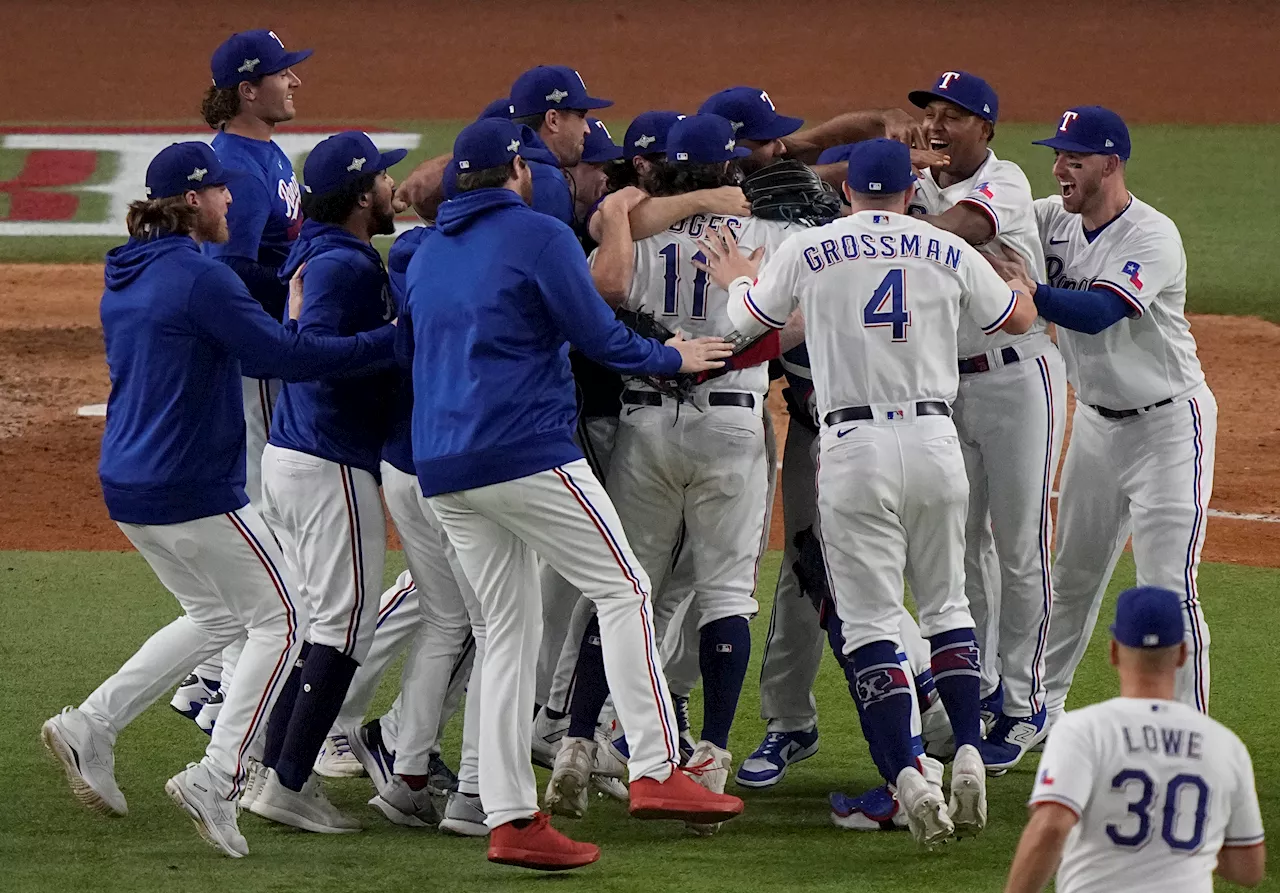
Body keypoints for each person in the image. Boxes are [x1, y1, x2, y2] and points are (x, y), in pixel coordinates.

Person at [399, 118, 744, 870]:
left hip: (444, 468)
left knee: (506, 634)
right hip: (523, 449)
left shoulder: (426, 253)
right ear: (520, 173)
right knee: (625, 587)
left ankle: (510, 817)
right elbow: (597, 331)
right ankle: (656, 768)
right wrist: (673, 355)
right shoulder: (536, 235)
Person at [40, 141, 394, 857]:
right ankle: (219, 775)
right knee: (288, 616)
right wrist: (388, 340)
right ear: (195, 199)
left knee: (218, 616)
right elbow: (285, 358)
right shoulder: (199, 280)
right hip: (189, 484)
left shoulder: (129, 272)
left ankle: (91, 724)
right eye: (224, 191)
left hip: (129, 484)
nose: (235, 200)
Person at [697, 138, 1038, 846]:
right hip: (937, 442)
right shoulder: (944, 247)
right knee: (948, 605)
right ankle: (969, 749)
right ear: (911, 193)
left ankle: (911, 777)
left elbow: (743, 326)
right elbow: (1018, 320)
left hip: (853, 446)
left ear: (849, 192)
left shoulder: (813, 247)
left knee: (874, 620)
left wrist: (737, 277)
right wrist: (1024, 294)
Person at [545, 115, 809, 831]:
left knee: (625, 588)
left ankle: (575, 742)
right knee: (726, 595)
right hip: (729, 426)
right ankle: (712, 756)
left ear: (660, 173)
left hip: (644, 422)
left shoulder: (633, 227)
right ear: (728, 171)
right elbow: (798, 326)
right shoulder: (767, 236)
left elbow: (608, 292)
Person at [990, 106, 1215, 722]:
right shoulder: (1046, 220)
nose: (1060, 168)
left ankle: (1185, 734)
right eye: (1057, 155)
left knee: (1168, 588)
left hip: (1169, 427)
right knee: (1070, 580)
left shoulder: (1152, 235)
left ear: (1111, 165)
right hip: (1094, 426)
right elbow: (987, 232)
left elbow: (1099, 311)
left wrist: (1032, 294)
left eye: (1075, 158)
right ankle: (1038, 709)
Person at [244, 131, 406, 834]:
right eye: (382, 180)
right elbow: (308, 356)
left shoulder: (329, 255)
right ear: (362, 196)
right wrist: (398, 339)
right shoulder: (339, 264)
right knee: (344, 627)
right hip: (326, 457)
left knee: (325, 625)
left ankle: (272, 768)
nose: (392, 190)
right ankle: (286, 780)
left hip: (304, 455)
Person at [905, 70, 1066, 772]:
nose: (937, 124)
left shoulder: (1003, 184)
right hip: (948, 384)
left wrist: (893, 218)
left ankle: (1028, 702)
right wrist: (901, 192)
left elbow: (950, 234)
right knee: (960, 543)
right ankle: (987, 683)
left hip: (1017, 377)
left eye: (955, 115)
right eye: (931, 112)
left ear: (987, 129)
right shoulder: (920, 185)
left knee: (1020, 543)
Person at [170, 28, 313, 732]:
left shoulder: (264, 152)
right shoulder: (239, 166)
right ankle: (227, 683)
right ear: (247, 90)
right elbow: (231, 270)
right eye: (283, 74)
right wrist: (297, 275)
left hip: (265, 355)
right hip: (259, 363)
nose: (295, 83)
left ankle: (204, 675)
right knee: (271, 517)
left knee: (271, 515)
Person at [1005, 586, 1265, 893]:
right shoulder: (1225, 746)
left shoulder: (1083, 730)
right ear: (1182, 654)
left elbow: (1050, 827)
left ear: (1114, 651)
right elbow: (1248, 868)